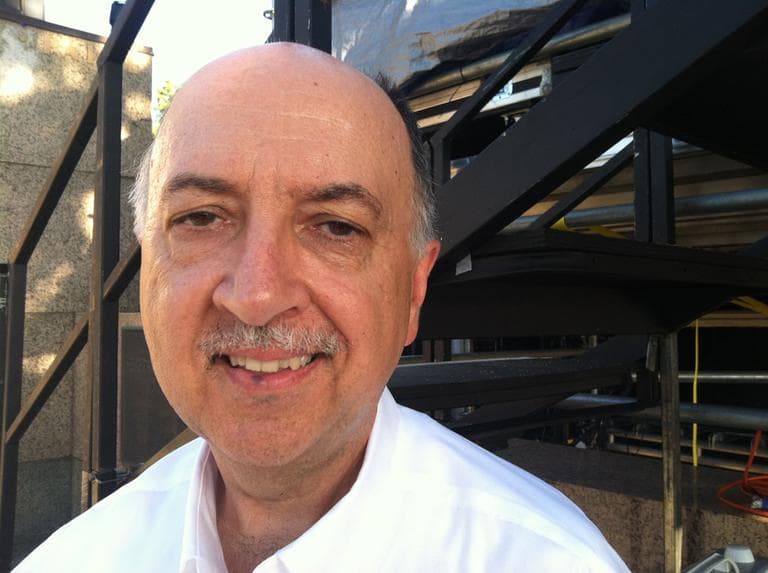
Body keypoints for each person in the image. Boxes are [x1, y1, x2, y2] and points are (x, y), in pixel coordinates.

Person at [15, 43, 628, 572]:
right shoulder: (73, 559)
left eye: (335, 227)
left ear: (413, 291)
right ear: (148, 268)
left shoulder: (549, 561)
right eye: (201, 217)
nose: (257, 295)